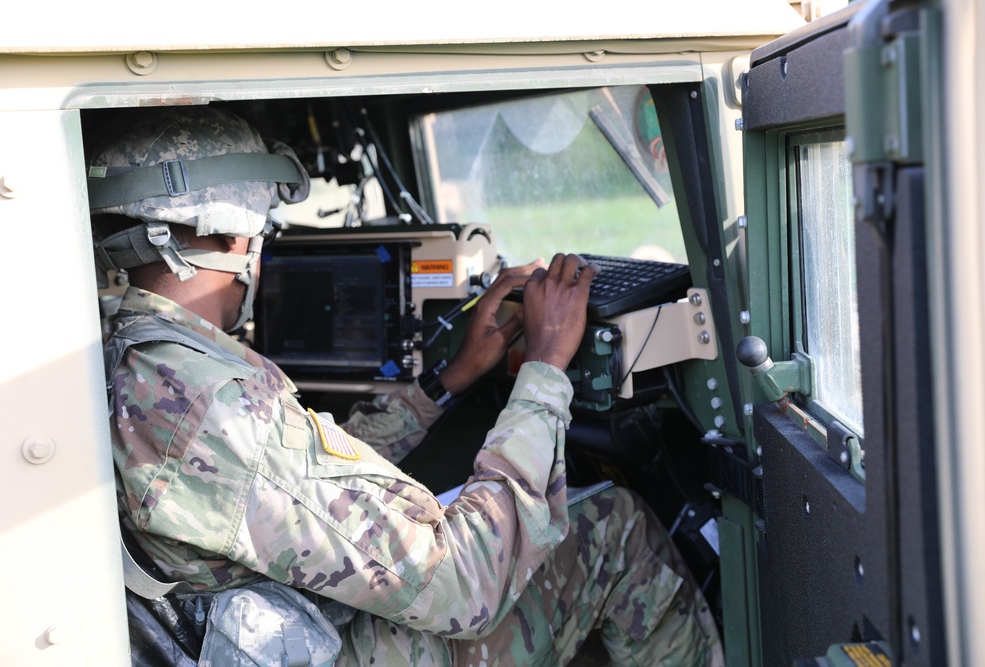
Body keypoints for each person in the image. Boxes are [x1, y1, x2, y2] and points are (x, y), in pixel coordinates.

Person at [89, 106, 724, 666]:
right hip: (335, 645)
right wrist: (547, 369)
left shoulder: (134, 356)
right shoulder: (211, 402)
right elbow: (465, 584)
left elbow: (312, 478)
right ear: (235, 233)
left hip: (270, 624)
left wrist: (449, 380)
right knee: (612, 525)